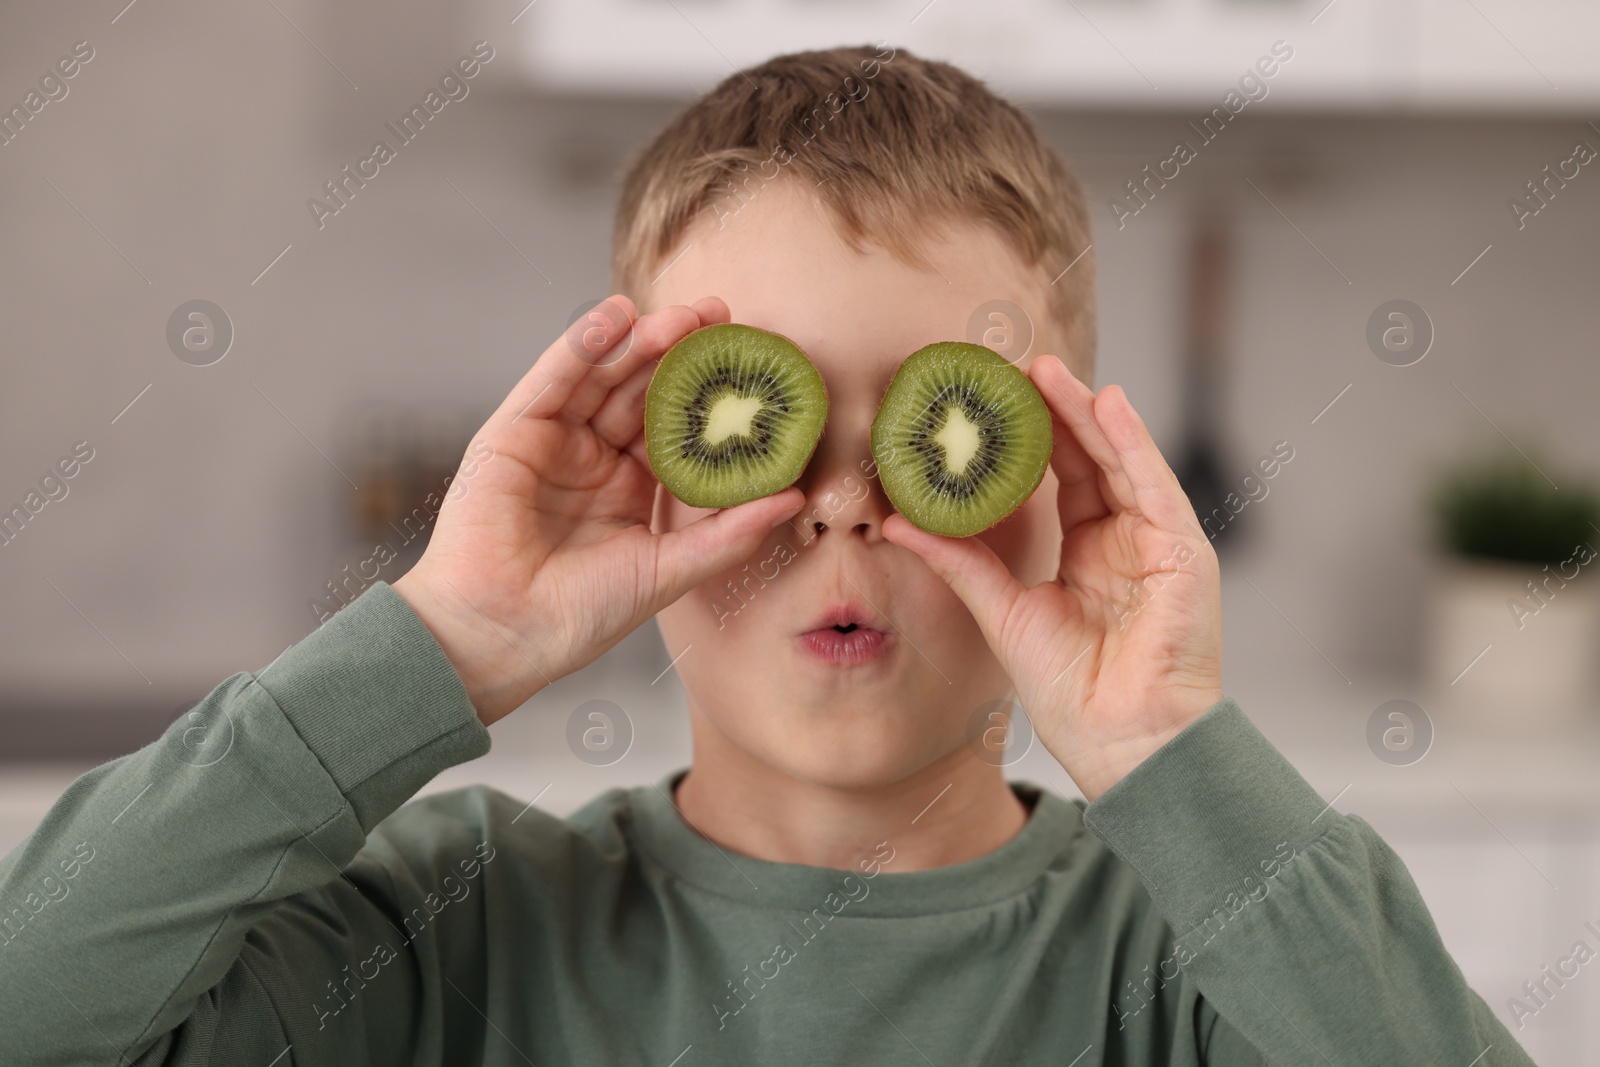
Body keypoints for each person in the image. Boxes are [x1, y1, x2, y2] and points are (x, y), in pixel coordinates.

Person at [0, 45, 1531, 1066]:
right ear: (655, 475)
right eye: (766, 427)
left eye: (939, 427)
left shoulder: (1192, 965)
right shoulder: (451, 933)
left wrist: (1170, 748)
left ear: (1058, 475)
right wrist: (438, 635)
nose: (848, 504)